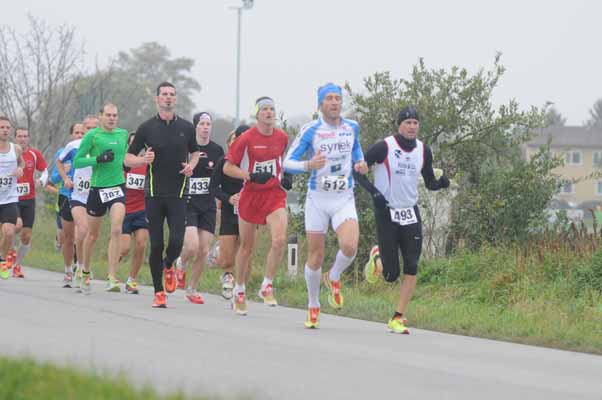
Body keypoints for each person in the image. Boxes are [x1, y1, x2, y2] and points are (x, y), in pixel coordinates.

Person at [354, 106, 450, 334]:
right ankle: (377, 256)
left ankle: (398, 316)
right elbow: (357, 171)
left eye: (416, 123)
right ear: (399, 125)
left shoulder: (423, 150)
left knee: (412, 265)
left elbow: (429, 182)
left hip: (410, 213)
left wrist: (442, 182)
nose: (412, 126)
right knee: (390, 275)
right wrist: (375, 193)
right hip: (386, 211)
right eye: (408, 123)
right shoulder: (384, 147)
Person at [283, 83, 368, 328]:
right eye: (329, 99)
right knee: (316, 256)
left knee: (350, 246)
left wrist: (360, 162)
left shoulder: (352, 127)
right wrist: (308, 165)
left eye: (337, 98)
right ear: (320, 104)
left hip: (343, 196)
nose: (334, 103)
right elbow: (287, 163)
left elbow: (356, 149)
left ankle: (334, 276)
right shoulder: (311, 129)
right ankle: (313, 305)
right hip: (318, 199)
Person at [125, 82, 199, 308]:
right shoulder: (147, 128)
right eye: (164, 95)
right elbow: (127, 159)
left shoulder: (186, 127)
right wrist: (142, 160)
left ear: (175, 99)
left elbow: (195, 152)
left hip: (178, 193)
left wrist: (192, 165)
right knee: (155, 244)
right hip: (154, 194)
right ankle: (158, 292)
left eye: (172, 95)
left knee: (176, 240)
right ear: (157, 99)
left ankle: (169, 265)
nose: (168, 98)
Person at [223, 97, 291, 314]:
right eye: (264, 110)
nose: (269, 113)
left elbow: (282, 161)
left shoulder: (282, 137)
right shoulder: (246, 138)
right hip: (251, 196)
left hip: (274, 195)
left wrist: (286, 175)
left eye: (272, 109)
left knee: (280, 240)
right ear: (257, 114)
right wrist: (249, 175)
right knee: (246, 248)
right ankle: (240, 290)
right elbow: (227, 168)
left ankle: (266, 285)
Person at [73, 104, 129, 293]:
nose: (112, 118)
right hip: (97, 189)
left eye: (115, 115)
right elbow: (77, 161)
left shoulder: (122, 134)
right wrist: (97, 159)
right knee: (92, 235)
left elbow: (126, 157)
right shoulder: (92, 135)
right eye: (108, 115)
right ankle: (85, 270)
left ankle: (112, 277)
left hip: (118, 187)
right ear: (101, 117)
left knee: (116, 229)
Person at [175, 112, 224, 304]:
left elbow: (221, 178)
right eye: (202, 124)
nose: (205, 127)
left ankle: (192, 288)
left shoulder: (217, 150)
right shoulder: (185, 149)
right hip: (187, 203)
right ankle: (181, 262)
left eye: (208, 124)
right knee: (192, 246)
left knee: (204, 250)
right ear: (195, 127)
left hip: (208, 205)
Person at [55, 116, 98, 289]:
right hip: (72, 194)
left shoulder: (101, 144)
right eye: (81, 130)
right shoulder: (72, 147)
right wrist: (65, 178)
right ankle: (69, 270)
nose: (84, 133)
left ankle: (81, 266)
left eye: (90, 129)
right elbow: (57, 166)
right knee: (69, 236)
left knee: (86, 233)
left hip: (93, 195)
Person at [209, 125, 251, 300]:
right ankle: (219, 259)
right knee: (227, 260)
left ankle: (240, 291)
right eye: (234, 140)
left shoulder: (254, 161)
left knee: (246, 252)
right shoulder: (224, 162)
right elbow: (213, 187)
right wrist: (228, 199)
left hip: (249, 211)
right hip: (229, 211)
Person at [11, 127, 49, 278]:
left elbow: (45, 171)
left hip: (29, 198)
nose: (23, 139)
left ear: (29, 138)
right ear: (15, 138)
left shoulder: (34, 154)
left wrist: (41, 181)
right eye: (20, 136)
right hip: (11, 199)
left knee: (26, 236)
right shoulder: (8, 153)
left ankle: (17, 265)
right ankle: (9, 254)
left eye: (25, 136)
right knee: (16, 226)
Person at [119, 132, 149, 295]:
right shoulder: (122, 163)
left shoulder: (148, 165)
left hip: (142, 209)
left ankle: (132, 280)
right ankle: (112, 271)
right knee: (123, 249)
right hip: (123, 209)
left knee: (141, 243)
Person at [0, 116, 24, 280]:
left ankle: (2, 259)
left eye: (7, 127)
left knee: (9, 232)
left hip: (9, 198)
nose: (5, 130)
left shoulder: (15, 149)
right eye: (2, 127)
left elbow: (21, 163)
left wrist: (20, 169)